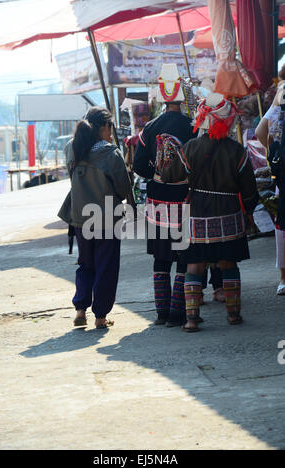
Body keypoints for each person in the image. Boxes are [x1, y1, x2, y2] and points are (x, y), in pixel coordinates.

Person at [179, 93, 259, 332]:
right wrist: (249, 212)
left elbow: (174, 178)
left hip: (196, 216)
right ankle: (233, 315)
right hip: (229, 215)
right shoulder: (237, 151)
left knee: (193, 266)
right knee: (228, 264)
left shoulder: (189, 148)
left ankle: (191, 319)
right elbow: (249, 190)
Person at [133, 64, 198, 327]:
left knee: (161, 257)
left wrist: (157, 173)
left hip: (158, 199)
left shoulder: (149, 128)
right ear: (182, 95)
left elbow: (138, 166)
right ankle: (178, 313)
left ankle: (161, 314)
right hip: (185, 198)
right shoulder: (192, 126)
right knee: (184, 255)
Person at [58, 106, 132, 328]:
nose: (111, 132)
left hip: (80, 217)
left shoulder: (72, 148)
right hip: (106, 218)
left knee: (85, 263)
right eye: (110, 127)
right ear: (102, 127)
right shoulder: (110, 154)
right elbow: (123, 187)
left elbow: (72, 179)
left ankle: (80, 311)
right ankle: (100, 316)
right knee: (106, 266)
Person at [256, 77, 285, 295]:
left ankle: (283, 278)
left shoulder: (277, 104)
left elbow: (259, 132)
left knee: (281, 229)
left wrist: (273, 150)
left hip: (282, 176)